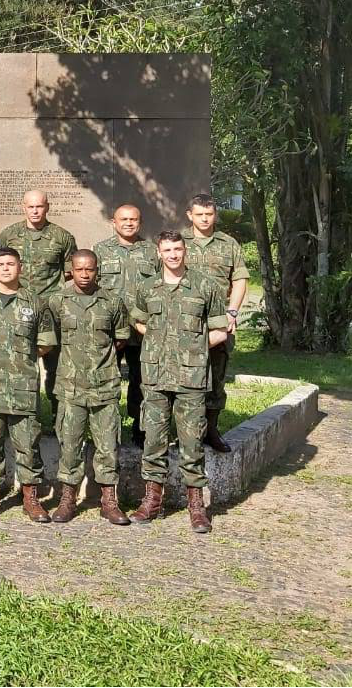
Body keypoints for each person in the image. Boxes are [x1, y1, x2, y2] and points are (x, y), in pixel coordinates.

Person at [129, 231, 230, 533]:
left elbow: (220, 331)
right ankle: (152, 501)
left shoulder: (204, 286)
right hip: (156, 376)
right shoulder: (147, 287)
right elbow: (137, 319)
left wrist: (194, 349)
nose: (172, 255)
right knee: (154, 438)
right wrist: (158, 341)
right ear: (158, 253)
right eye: (167, 250)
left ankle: (196, 506)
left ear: (185, 251)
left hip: (191, 376)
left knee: (191, 442)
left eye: (177, 249)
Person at [0, 248, 55, 524]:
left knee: (28, 446)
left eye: (11, 264)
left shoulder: (36, 303)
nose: (6, 268)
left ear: (21, 267)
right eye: (1, 264)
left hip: (22, 389)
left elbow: (45, 343)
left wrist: (18, 362)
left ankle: (31, 498)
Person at [45, 250, 131, 525]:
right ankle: (67, 499)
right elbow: (51, 339)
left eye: (90, 270)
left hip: (104, 385)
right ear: (71, 270)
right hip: (70, 387)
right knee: (69, 445)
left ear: (98, 270)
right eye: (79, 270)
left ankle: (109, 501)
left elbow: (120, 339)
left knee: (107, 446)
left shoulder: (112, 302)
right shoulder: (58, 300)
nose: (84, 275)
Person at [0, 189, 77, 425]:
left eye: (39, 206)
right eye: (30, 206)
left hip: (49, 309)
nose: (35, 211)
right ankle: (18, 417)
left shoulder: (62, 237)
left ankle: (55, 419)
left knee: (54, 366)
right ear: (23, 207)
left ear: (47, 207)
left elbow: (70, 270)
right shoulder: (8, 235)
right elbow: (3, 265)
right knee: (18, 363)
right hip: (16, 308)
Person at [182, 194, 249, 453]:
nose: (204, 219)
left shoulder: (228, 243)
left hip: (218, 319)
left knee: (216, 376)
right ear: (190, 215)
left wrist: (232, 312)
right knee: (184, 377)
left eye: (209, 214)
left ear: (215, 215)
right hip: (185, 319)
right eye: (199, 214)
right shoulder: (178, 242)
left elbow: (240, 279)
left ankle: (211, 430)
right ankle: (185, 433)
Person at [94, 204, 159, 447]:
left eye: (134, 219)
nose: (129, 223)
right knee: (108, 379)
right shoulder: (100, 250)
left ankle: (139, 427)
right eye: (124, 219)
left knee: (141, 379)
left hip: (141, 330)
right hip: (111, 329)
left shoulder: (152, 252)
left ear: (140, 223)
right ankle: (109, 428)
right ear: (114, 222)